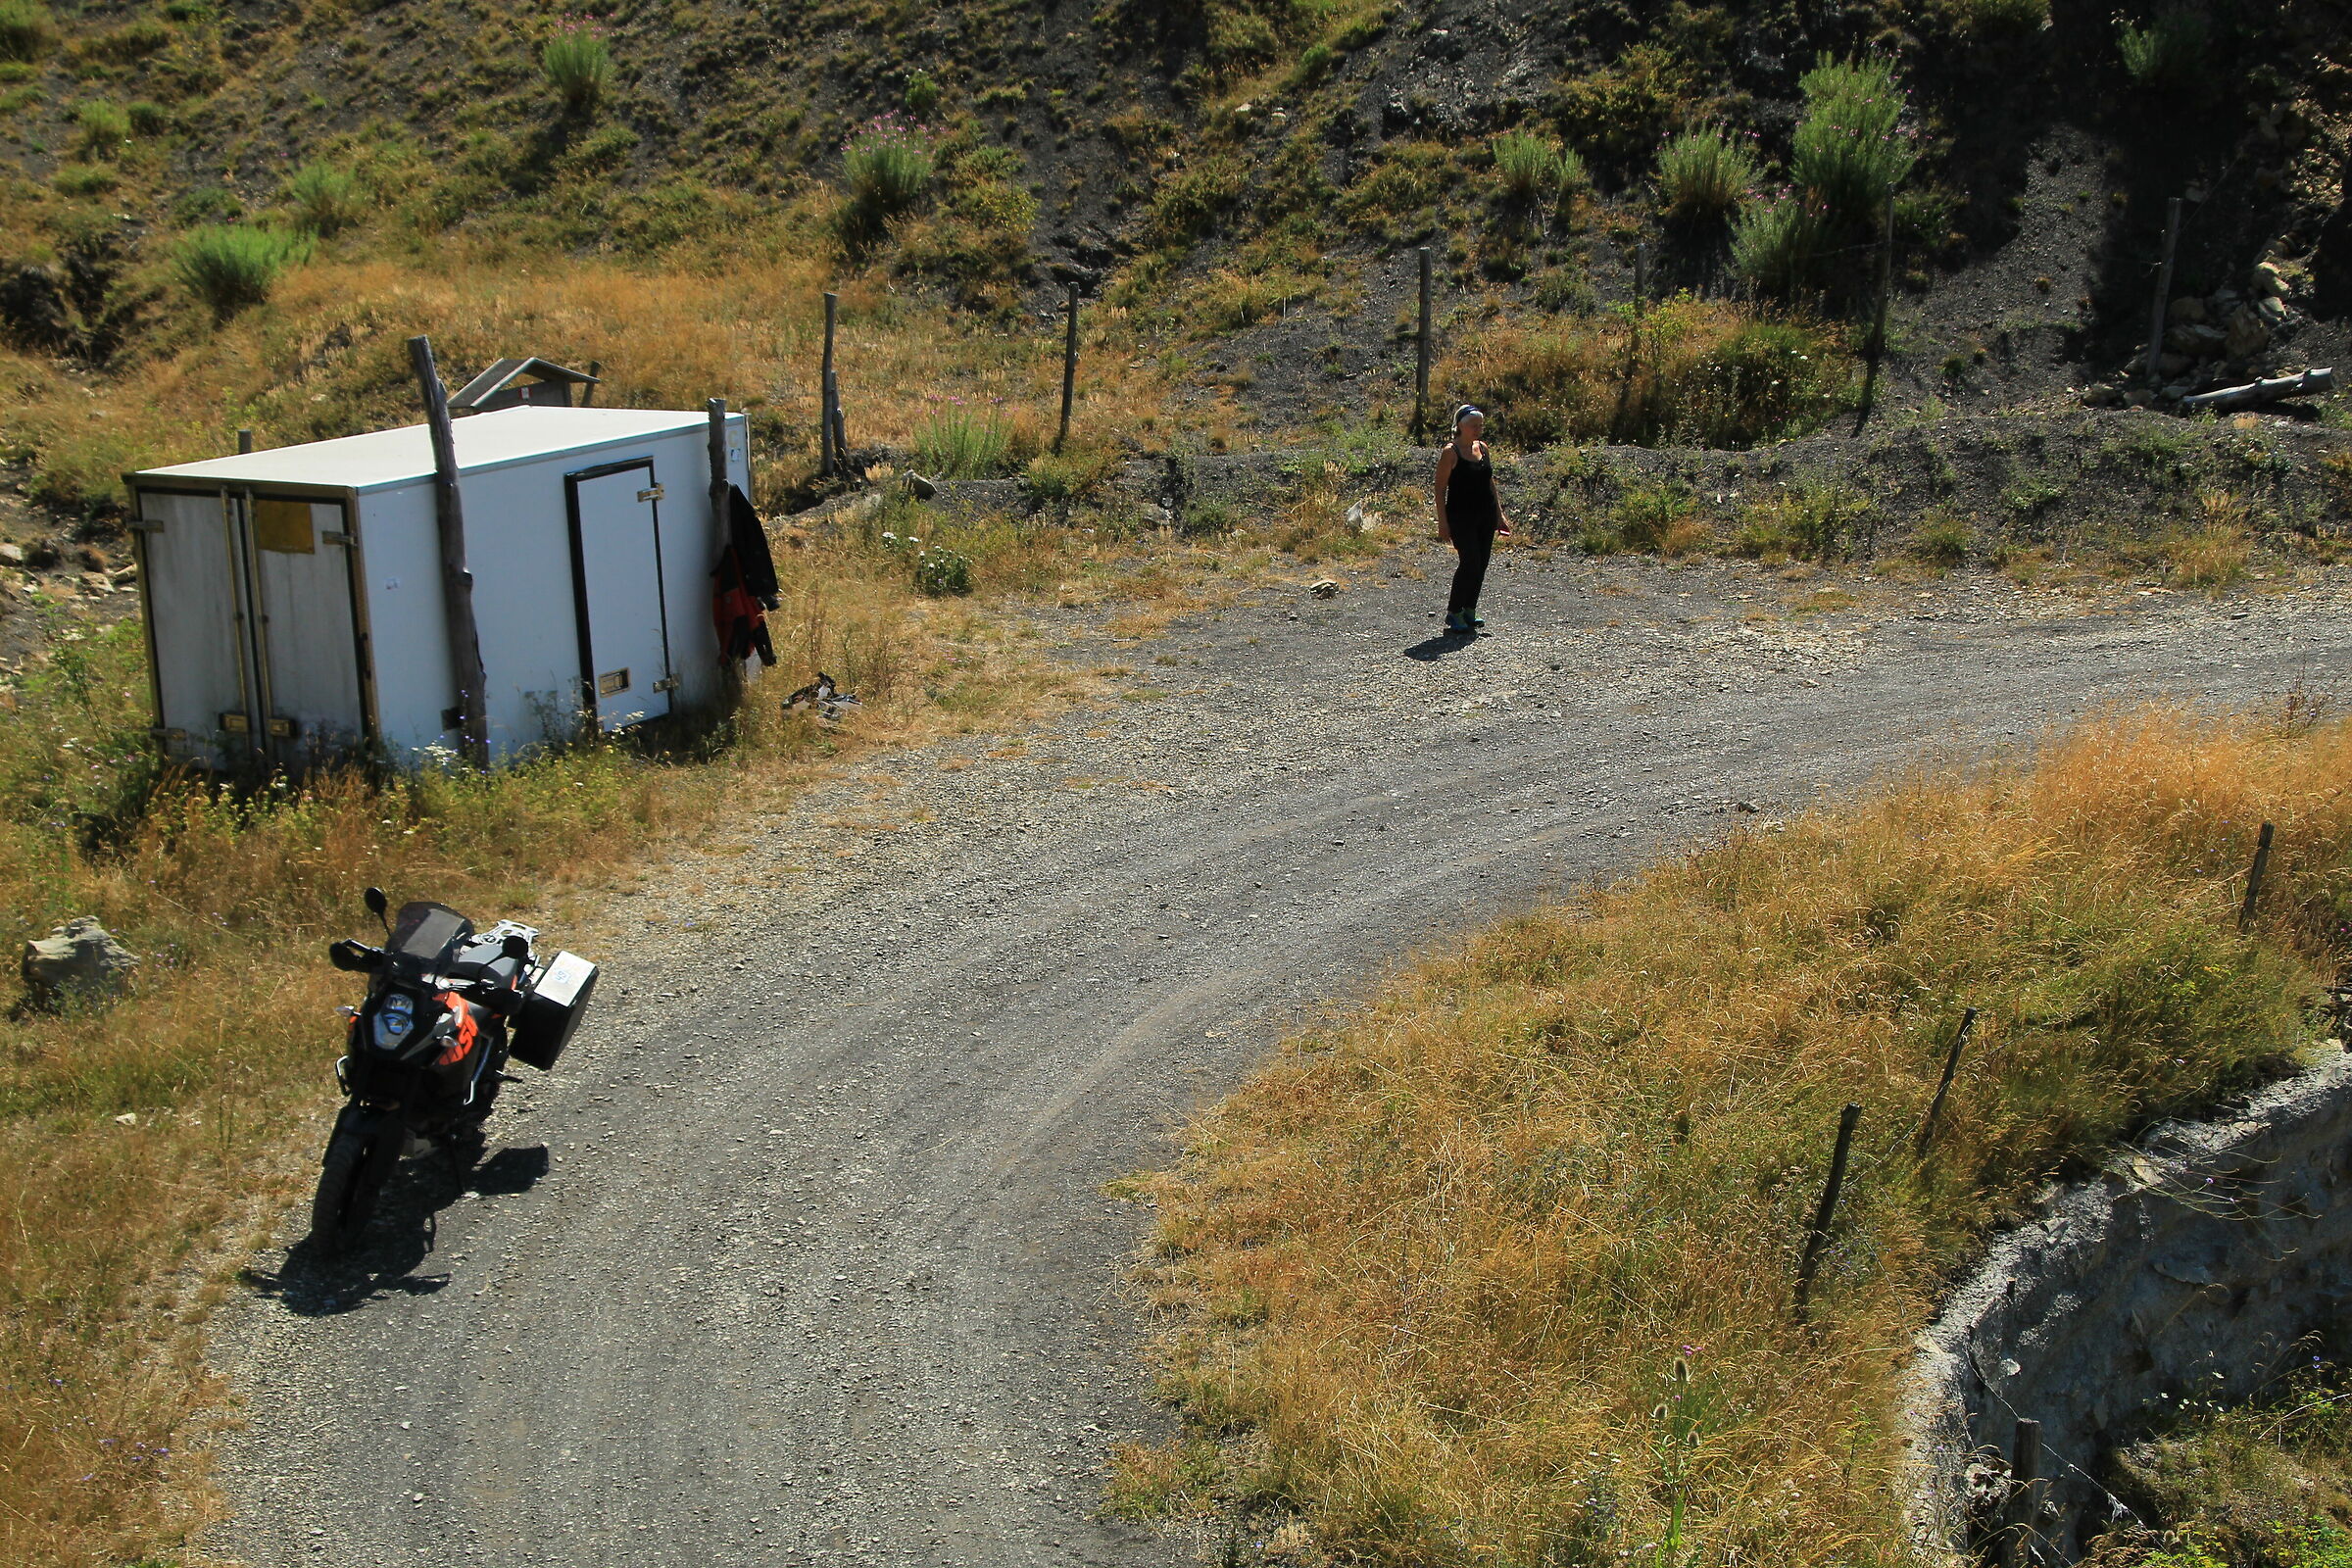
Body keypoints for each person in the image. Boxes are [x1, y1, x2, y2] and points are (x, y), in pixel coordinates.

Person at [1433, 404, 1512, 633]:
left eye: (1480, 425)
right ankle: (1454, 611)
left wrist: (1500, 515)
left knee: (1482, 564)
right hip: (1461, 517)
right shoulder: (1451, 452)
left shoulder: (1483, 449)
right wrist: (1442, 522)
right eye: (1473, 425)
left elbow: (1490, 482)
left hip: (1485, 515)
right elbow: (1439, 489)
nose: (1478, 430)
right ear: (1460, 426)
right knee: (1470, 562)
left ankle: (1470, 610)